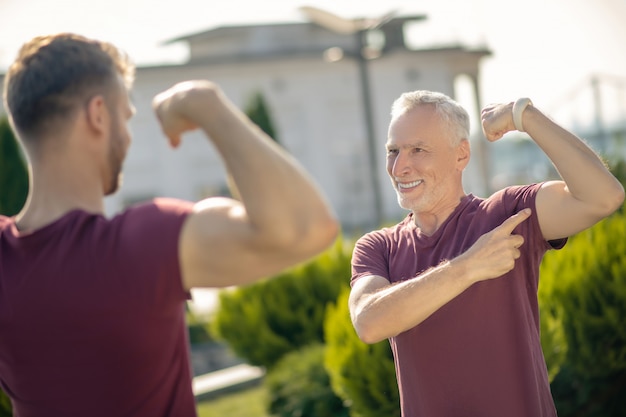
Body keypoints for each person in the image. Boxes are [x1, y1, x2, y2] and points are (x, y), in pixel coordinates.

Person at [0, 33, 338, 417]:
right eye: (125, 116)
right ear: (97, 115)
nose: (127, 136)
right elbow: (308, 227)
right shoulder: (140, 245)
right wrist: (206, 105)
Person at [349, 90, 624, 417]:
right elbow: (369, 322)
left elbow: (603, 197)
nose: (400, 166)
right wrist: (466, 267)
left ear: (461, 155)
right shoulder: (378, 246)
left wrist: (524, 116)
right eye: (393, 151)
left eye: (418, 149)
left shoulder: (506, 215)